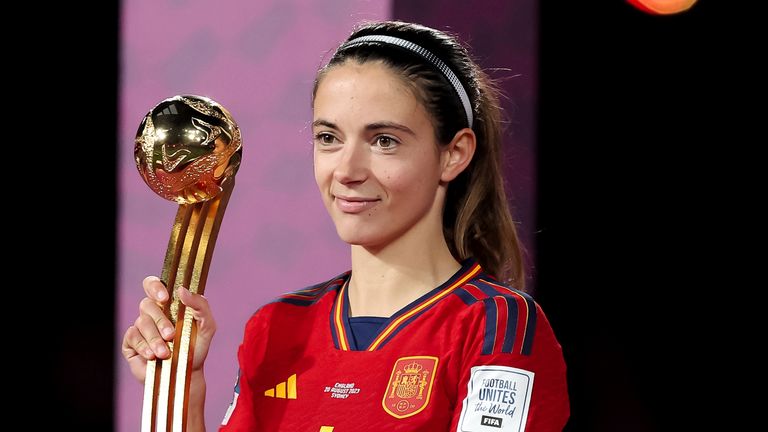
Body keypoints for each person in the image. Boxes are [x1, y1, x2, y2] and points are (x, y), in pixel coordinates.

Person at [122, 20, 569, 431]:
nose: (347, 170)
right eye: (329, 138)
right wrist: (181, 390)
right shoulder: (277, 327)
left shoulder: (495, 324)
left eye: (384, 140)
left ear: (454, 153)